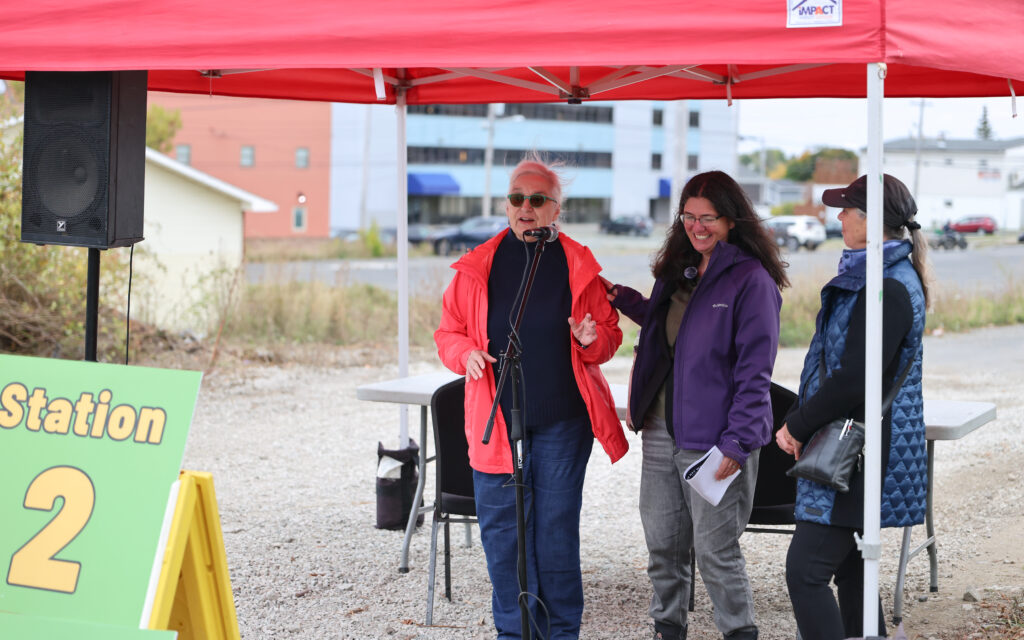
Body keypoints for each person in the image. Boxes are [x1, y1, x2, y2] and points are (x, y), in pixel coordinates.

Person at [434, 154, 627, 639]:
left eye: (537, 199)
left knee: (555, 537)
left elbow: (608, 336)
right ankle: (515, 633)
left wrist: (590, 339)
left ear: (555, 208)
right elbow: (447, 332)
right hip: (497, 423)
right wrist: (465, 354)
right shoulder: (478, 264)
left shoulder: (578, 263)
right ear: (506, 205)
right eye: (518, 198)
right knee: (504, 539)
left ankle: (561, 633)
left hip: (563, 422)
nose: (526, 207)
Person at [606, 171, 788, 640]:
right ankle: (668, 629)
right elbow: (673, 328)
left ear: (731, 220)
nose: (696, 226)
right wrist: (622, 299)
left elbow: (755, 373)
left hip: (716, 441)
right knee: (663, 547)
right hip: (661, 433)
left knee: (715, 552)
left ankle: (739, 632)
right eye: (688, 216)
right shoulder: (682, 270)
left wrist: (737, 443)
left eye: (708, 218)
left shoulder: (751, 280)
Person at [776, 173, 929, 639]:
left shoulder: (885, 286)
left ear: (873, 219)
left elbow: (856, 378)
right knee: (854, 571)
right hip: (861, 447)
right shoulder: (880, 275)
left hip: (857, 453)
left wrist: (798, 424)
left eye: (848, 209)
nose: (838, 216)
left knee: (806, 572)